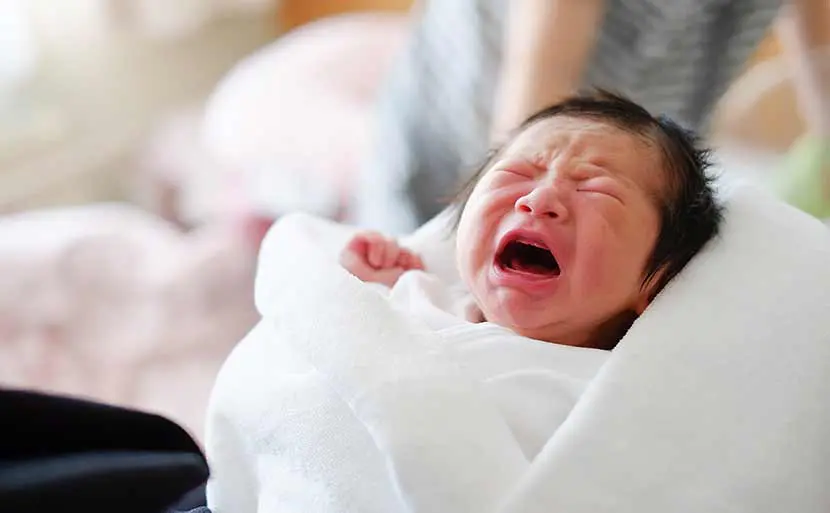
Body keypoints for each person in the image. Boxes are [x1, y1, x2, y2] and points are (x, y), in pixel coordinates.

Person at [351, 0, 828, 234]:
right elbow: (540, 73)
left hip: (640, 129)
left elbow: (820, 51)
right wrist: (504, 222)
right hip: (487, 128)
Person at [341, 91, 722, 350]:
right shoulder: (425, 299)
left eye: (595, 189)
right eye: (518, 173)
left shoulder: (615, 390)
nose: (538, 200)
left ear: (658, 279)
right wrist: (375, 282)